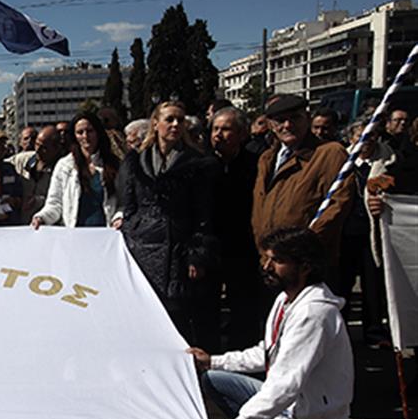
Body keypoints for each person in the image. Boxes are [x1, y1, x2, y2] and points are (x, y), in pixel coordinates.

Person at [188, 227, 353, 419]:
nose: (266, 267)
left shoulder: (314, 315)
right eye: (265, 258)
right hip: (288, 408)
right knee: (213, 378)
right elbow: (267, 352)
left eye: (276, 261)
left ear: (305, 266)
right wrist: (213, 361)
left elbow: (286, 384)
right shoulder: (286, 299)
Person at [116, 101, 217, 342]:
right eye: (169, 119)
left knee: (176, 318)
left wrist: (197, 254)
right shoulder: (135, 162)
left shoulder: (197, 164)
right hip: (142, 247)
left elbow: (204, 214)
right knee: (143, 315)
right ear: (155, 123)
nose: (175, 125)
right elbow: (128, 205)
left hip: (177, 250)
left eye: (180, 120)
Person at [250, 94, 352, 291]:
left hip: (306, 267)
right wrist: (268, 254)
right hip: (272, 264)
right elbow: (259, 210)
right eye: (280, 120)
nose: (287, 125)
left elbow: (337, 207)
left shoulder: (329, 153)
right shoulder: (266, 159)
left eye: (294, 118)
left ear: (307, 118)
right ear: (271, 124)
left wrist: (299, 252)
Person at [208, 107, 262, 351]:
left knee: (244, 306)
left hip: (243, 246)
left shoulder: (256, 164)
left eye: (226, 129)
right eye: (215, 129)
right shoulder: (203, 164)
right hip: (210, 246)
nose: (218, 135)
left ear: (241, 134)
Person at [338, 123, 393, 347]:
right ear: (352, 139)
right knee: (342, 285)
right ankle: (339, 333)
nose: (367, 141)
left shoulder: (388, 162)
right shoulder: (343, 162)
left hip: (373, 233)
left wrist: (384, 201)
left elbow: (395, 189)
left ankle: (374, 332)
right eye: (362, 136)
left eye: (371, 136)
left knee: (372, 285)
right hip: (346, 232)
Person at [31, 113, 120, 228]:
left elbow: (123, 203)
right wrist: (41, 217)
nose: (85, 136)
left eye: (90, 131)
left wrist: (118, 217)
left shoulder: (114, 164)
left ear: (98, 132)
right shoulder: (64, 165)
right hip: (75, 236)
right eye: (80, 132)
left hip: (106, 235)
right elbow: (55, 203)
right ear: (74, 136)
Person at [13, 126, 63, 224]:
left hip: (49, 226)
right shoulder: (23, 160)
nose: (38, 150)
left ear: (57, 148)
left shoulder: (63, 169)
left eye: (44, 148)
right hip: (23, 226)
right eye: (37, 144)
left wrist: (38, 201)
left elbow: (62, 201)